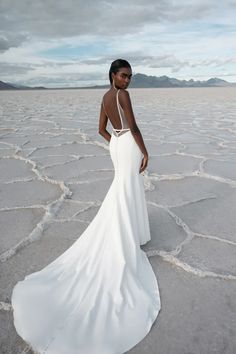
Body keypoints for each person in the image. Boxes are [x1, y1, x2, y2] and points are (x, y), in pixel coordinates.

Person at [11, 59, 161, 354]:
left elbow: (101, 130)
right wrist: (143, 151)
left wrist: (115, 143)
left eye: (130, 76)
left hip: (116, 145)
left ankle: (129, 233)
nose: (128, 80)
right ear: (113, 76)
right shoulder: (122, 96)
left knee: (122, 188)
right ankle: (126, 237)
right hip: (128, 143)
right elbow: (134, 125)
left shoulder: (105, 97)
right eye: (123, 75)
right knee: (126, 188)